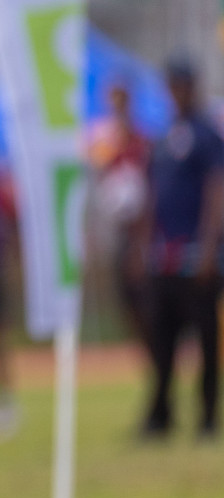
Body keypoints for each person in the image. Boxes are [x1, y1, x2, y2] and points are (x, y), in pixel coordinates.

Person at [134, 58, 224, 440]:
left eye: (183, 84)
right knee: (161, 338)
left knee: (205, 339)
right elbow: (153, 192)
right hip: (163, 254)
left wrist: (208, 244)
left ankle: (206, 417)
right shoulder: (164, 135)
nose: (178, 91)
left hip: (195, 255)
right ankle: (160, 414)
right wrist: (142, 242)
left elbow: (216, 190)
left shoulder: (207, 134)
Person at [89, 82, 151, 344]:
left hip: (142, 227)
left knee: (143, 292)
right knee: (126, 297)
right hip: (115, 227)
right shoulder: (104, 141)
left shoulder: (141, 139)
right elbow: (96, 175)